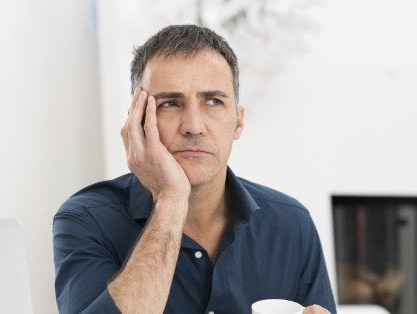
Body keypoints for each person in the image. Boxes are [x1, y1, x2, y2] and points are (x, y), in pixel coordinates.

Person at [53, 24, 336, 314]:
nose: (193, 127)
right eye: (170, 104)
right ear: (137, 121)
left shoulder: (291, 224)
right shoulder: (86, 220)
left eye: (213, 101)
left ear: (238, 122)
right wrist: (172, 200)